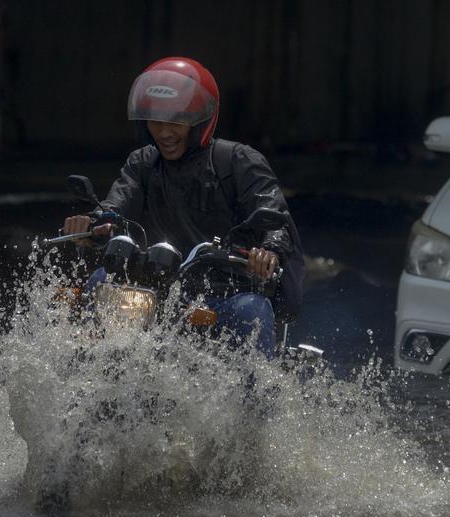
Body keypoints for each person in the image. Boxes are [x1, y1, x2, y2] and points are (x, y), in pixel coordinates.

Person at [60, 56, 303, 355]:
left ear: (199, 122)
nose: (163, 132)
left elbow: (274, 216)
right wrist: (93, 222)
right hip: (158, 284)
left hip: (225, 289)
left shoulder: (238, 161)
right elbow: (117, 205)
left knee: (251, 313)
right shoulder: (142, 163)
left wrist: (269, 250)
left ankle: (257, 399)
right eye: (156, 121)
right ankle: (80, 377)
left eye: (175, 121)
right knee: (100, 282)